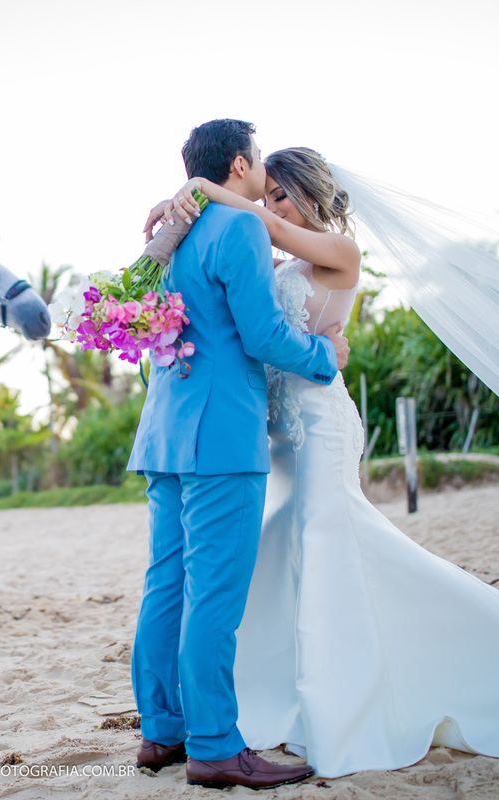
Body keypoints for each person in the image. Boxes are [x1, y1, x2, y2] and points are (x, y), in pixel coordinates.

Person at [144, 144, 499, 780]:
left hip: (319, 422)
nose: (270, 206)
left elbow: (259, 233)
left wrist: (198, 192)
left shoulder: (339, 253)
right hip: (275, 431)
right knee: (282, 553)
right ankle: (269, 698)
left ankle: (342, 701)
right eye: (266, 194)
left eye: (280, 195)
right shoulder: (270, 256)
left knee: (328, 543)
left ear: (313, 197)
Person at [125, 119, 350, 791]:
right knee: (214, 598)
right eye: (260, 168)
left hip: (164, 431)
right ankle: (218, 747)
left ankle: (161, 731)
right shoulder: (240, 228)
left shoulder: (175, 233)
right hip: (221, 436)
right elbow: (262, 335)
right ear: (243, 164)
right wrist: (323, 356)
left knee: (165, 586)